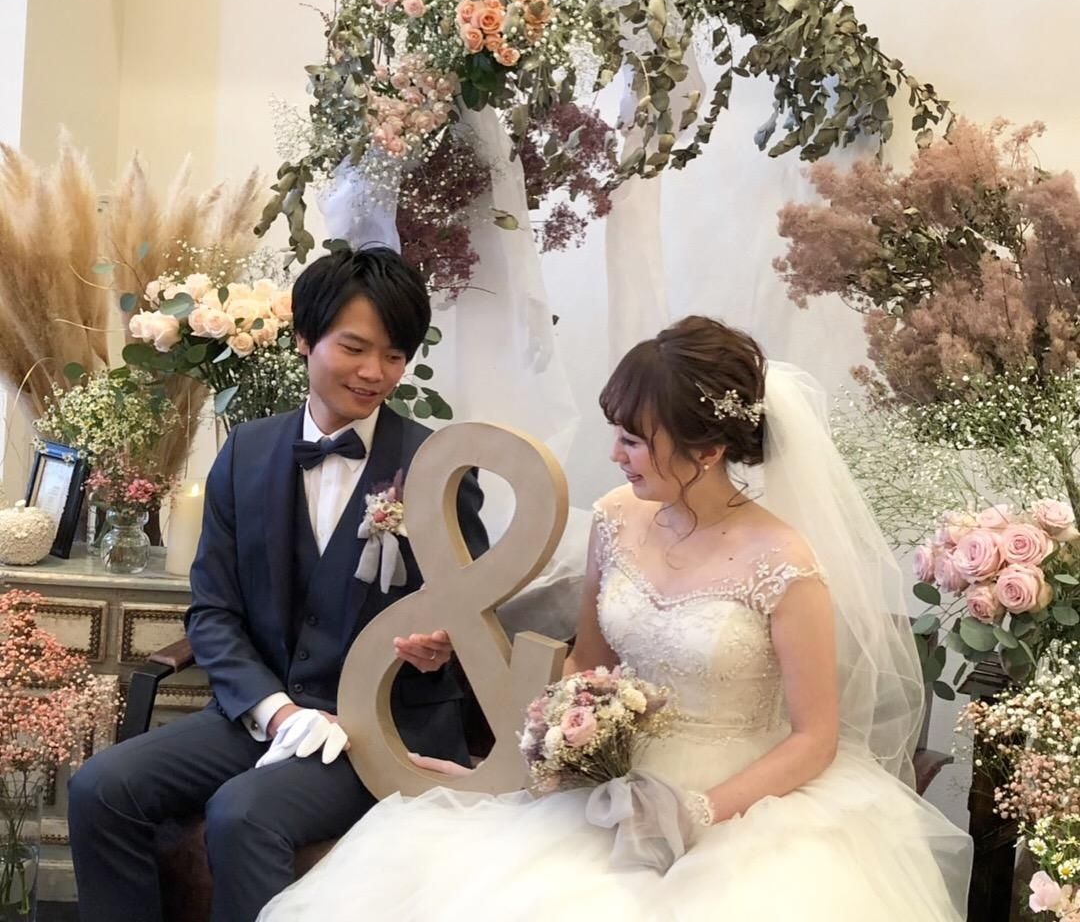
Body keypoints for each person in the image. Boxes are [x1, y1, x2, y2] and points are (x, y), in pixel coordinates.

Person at [258, 315, 972, 921]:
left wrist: (694, 812)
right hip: (605, 791)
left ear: (708, 449)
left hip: (744, 807)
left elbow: (815, 737)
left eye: (633, 439)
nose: (614, 454)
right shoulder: (615, 518)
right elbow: (588, 664)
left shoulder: (783, 563)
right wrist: (543, 746)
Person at [68, 247, 488, 922]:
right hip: (265, 714)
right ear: (303, 338)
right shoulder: (247, 452)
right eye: (354, 347)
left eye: (394, 356)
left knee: (244, 814)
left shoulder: (436, 465)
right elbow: (213, 612)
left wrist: (444, 644)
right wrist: (277, 712)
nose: (375, 372)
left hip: (385, 729)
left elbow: (475, 611)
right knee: (101, 787)